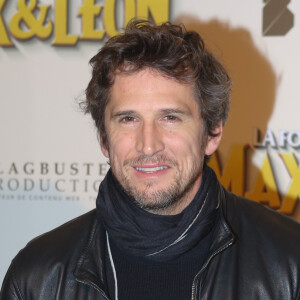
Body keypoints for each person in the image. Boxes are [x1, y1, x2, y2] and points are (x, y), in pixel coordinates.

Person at [1, 20, 300, 300]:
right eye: (128, 119)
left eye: (170, 118)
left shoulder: (289, 263)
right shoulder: (36, 279)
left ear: (212, 132)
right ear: (104, 138)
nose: (148, 145)